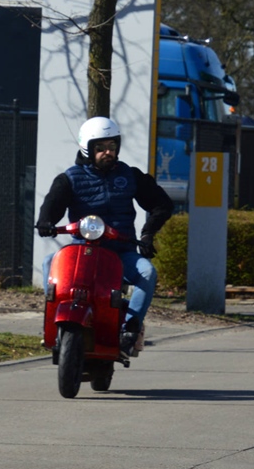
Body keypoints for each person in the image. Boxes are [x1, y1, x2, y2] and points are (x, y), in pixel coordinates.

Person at [35, 116, 174, 357]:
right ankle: (54, 323)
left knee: (147, 272)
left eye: (112, 146)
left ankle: (129, 329)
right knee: (50, 262)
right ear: (86, 148)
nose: (107, 152)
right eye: (100, 148)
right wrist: (46, 222)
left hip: (121, 252)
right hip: (82, 251)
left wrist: (148, 234)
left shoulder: (130, 175)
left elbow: (162, 204)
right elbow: (51, 206)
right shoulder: (70, 179)